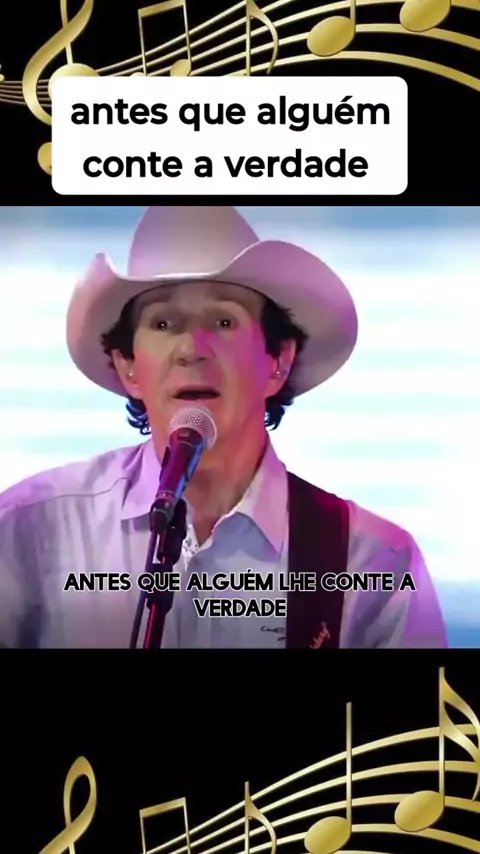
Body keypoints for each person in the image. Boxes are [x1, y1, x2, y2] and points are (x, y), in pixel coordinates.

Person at [0, 205, 448, 649]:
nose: (191, 349)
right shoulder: (30, 528)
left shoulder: (373, 563)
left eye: (223, 321)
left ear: (278, 360)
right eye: (162, 323)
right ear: (128, 366)